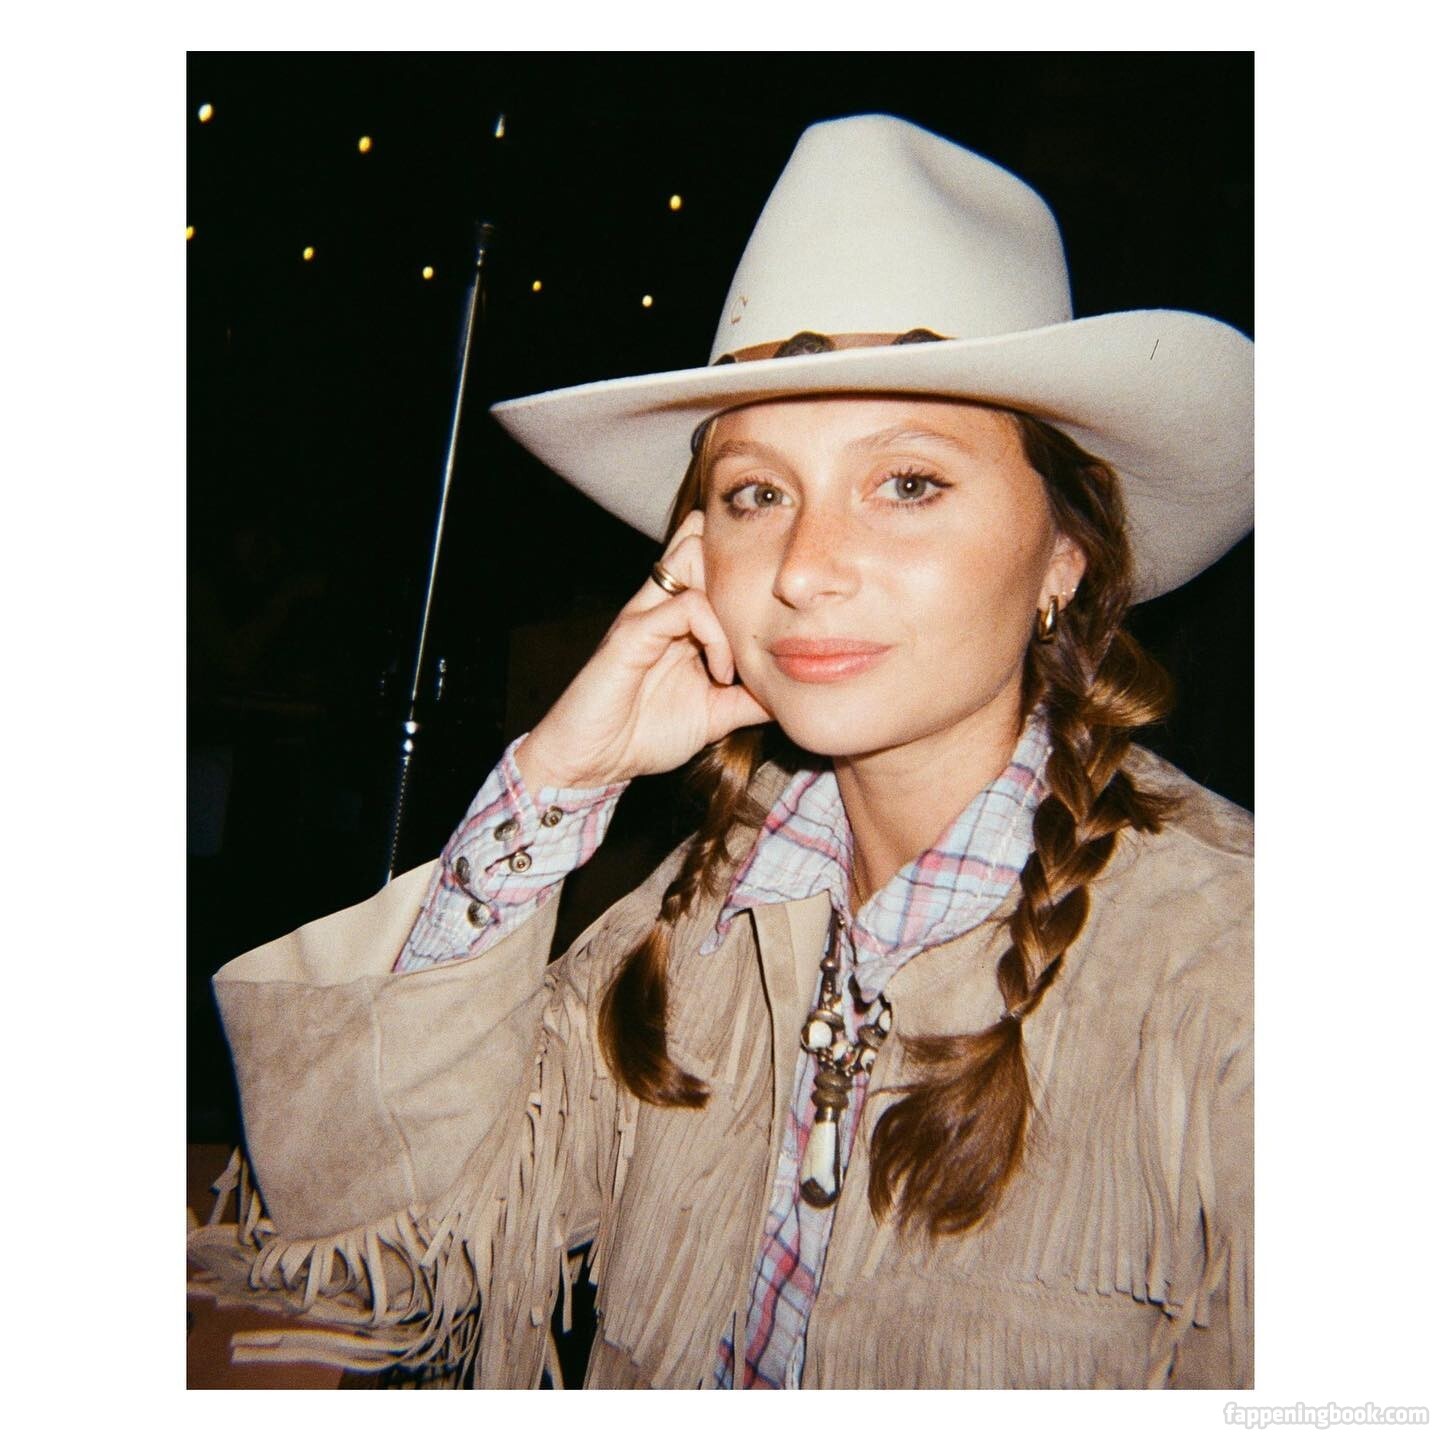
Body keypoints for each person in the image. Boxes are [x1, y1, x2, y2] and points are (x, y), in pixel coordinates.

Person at [188, 114, 1253, 1389]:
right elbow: (383, 1240)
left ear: (1063, 557)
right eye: (757, 494)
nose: (804, 568)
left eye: (908, 483)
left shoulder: (1240, 978)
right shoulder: (697, 910)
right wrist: (557, 781)